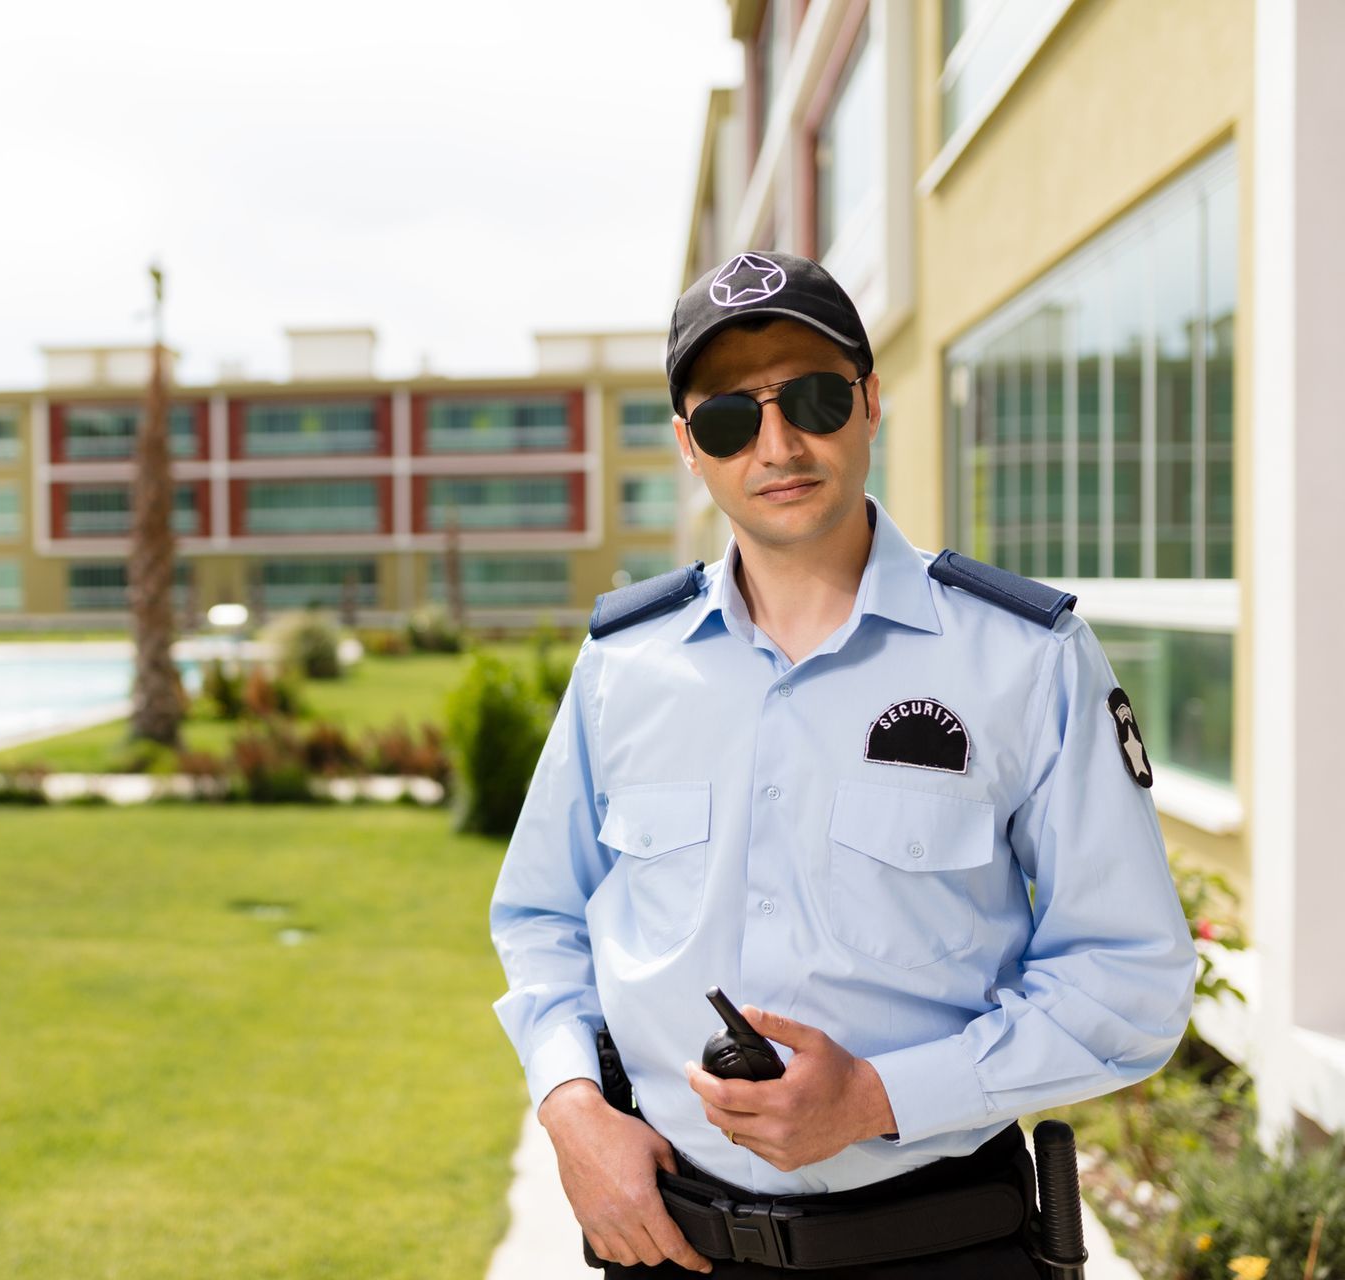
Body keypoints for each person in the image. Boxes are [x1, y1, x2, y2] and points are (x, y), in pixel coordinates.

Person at [488, 250, 1196, 1277]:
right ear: (691, 446)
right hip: (668, 1243)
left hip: (941, 1240)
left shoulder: (1023, 657)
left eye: (813, 397)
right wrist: (568, 1106)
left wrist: (877, 1098)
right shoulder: (621, 667)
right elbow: (543, 920)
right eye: (732, 416)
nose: (777, 442)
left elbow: (1130, 974)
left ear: (871, 403)